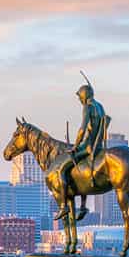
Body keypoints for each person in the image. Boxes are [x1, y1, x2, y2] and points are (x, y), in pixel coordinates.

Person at [54, 81, 109, 221]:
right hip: (98, 146)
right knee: (80, 171)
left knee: (62, 170)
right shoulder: (100, 107)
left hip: (88, 146)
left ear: (84, 96)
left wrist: (76, 145)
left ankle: (63, 206)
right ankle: (83, 207)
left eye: (80, 97)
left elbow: (82, 129)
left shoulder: (88, 107)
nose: (79, 100)